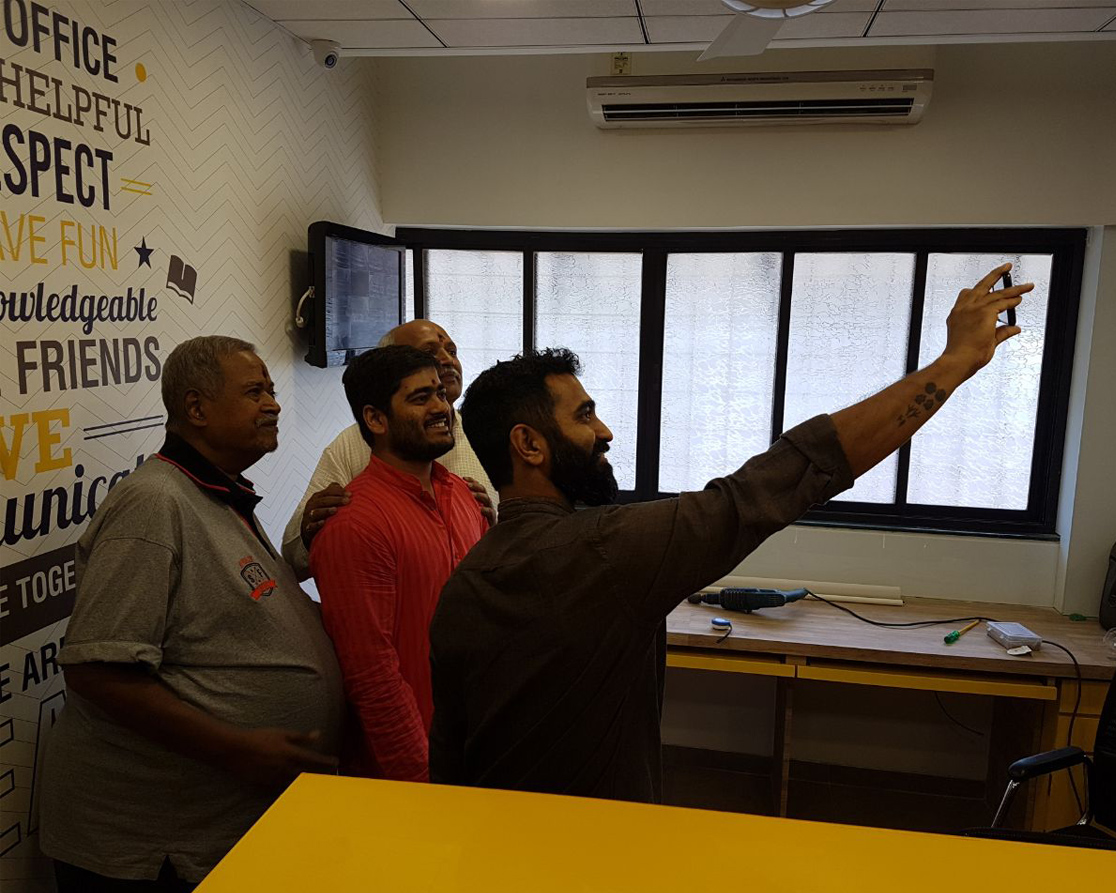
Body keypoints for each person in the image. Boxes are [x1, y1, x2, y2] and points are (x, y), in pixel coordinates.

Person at [429, 264, 1030, 802]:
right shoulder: (606, 553)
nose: (606, 431)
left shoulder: (464, 586)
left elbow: (448, 761)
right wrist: (954, 363)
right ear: (529, 445)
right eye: (584, 415)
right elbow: (778, 480)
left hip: (488, 850)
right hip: (597, 860)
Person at [39, 336, 344, 893]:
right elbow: (96, 670)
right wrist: (235, 748)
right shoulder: (155, 503)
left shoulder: (217, 494)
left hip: (214, 836)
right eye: (254, 392)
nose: (273, 404)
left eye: (271, 391)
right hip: (146, 853)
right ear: (197, 409)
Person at [309, 345, 489, 781]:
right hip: (409, 776)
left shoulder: (465, 496)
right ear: (375, 419)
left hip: (476, 749)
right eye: (420, 398)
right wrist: (419, 780)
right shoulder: (354, 523)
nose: (441, 407)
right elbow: (371, 675)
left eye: (440, 394)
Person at [283, 320, 495, 581]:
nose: (447, 360)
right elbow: (293, 560)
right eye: (428, 353)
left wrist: (492, 527)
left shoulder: (486, 436)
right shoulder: (350, 446)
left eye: (452, 351)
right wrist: (309, 530)